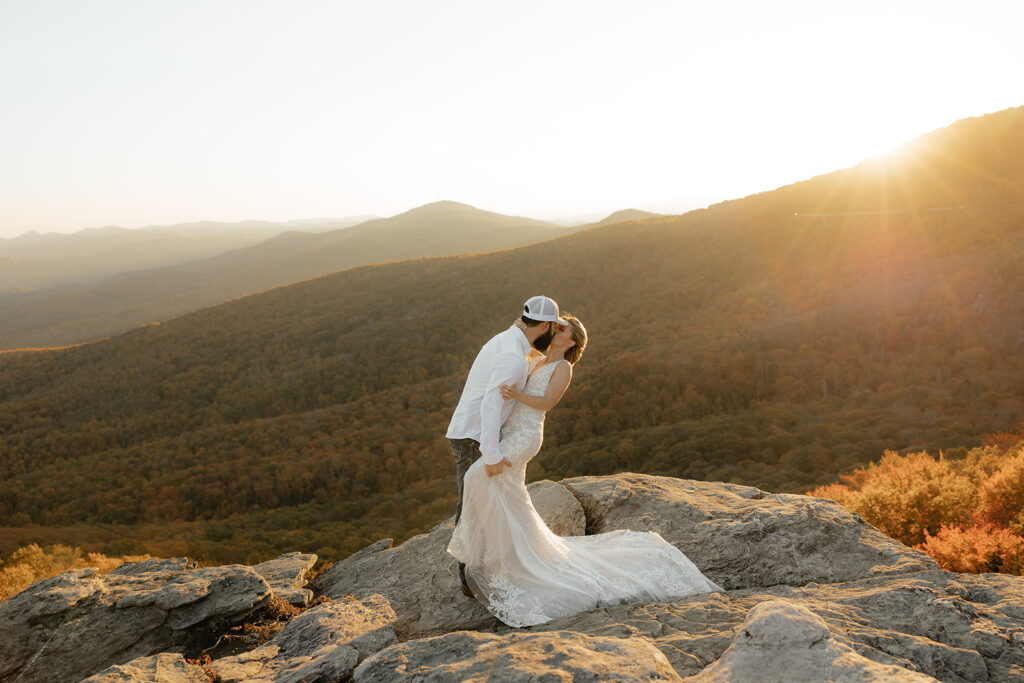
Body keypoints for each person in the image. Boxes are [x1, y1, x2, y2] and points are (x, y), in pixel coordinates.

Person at [447, 313, 723, 627]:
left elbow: (547, 403)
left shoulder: (563, 367)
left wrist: (515, 394)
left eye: (561, 328)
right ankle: (506, 558)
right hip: (510, 434)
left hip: (526, 436)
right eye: (555, 326)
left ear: (572, 340)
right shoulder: (533, 358)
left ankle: (504, 559)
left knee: (477, 477)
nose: (555, 330)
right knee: (506, 492)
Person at [446, 295, 567, 597]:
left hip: (474, 432)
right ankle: (471, 575)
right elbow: (490, 405)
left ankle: (486, 565)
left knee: (482, 496)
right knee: (472, 499)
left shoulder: (512, 342)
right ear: (548, 326)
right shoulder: (515, 355)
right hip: (475, 436)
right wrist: (491, 454)